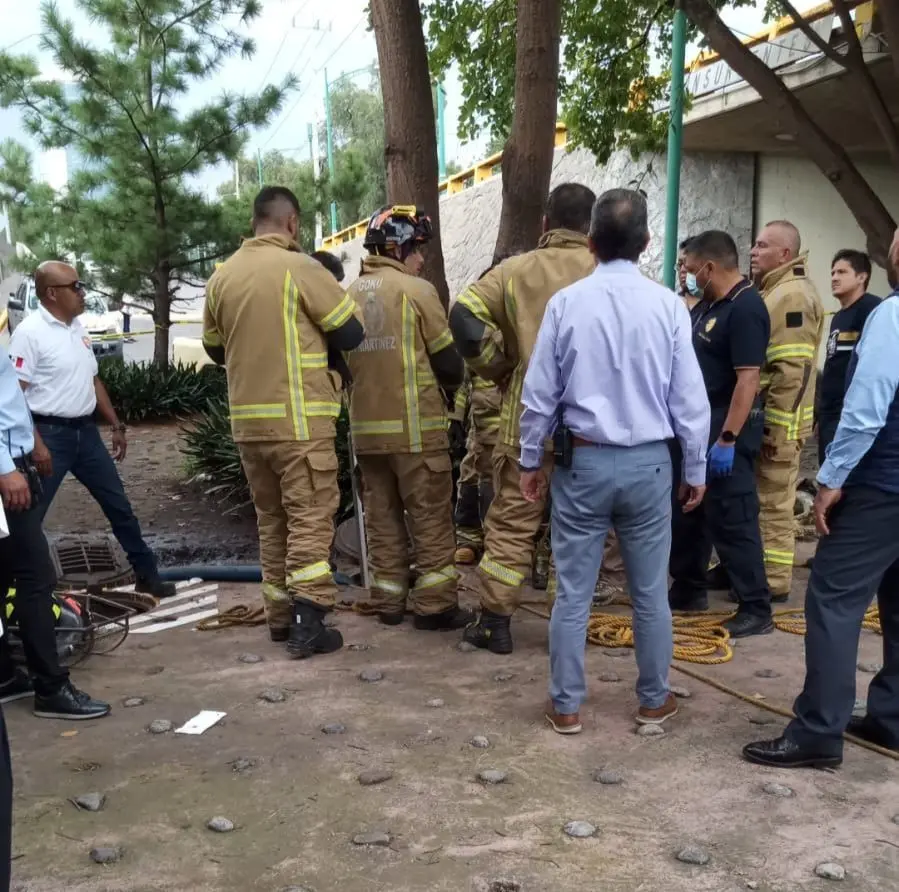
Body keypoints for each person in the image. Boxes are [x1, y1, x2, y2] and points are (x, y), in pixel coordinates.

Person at [518, 188, 710, 733]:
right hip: (651, 465)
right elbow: (689, 401)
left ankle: (567, 706)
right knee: (650, 593)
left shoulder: (566, 304)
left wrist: (531, 461)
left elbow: (539, 397)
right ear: (647, 242)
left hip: (584, 465)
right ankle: (653, 702)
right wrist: (694, 468)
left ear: (592, 243)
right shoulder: (670, 306)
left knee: (573, 591)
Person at [744, 227, 899, 768]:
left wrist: (832, 478)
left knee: (833, 601)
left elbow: (867, 408)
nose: (890, 249)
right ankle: (892, 718)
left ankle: (818, 731)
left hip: (881, 485)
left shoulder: (892, 317)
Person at [202, 186, 364, 657]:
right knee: (310, 520)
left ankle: (278, 618)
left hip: (249, 428)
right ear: (292, 222)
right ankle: (309, 621)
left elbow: (215, 348)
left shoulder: (223, 277)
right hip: (299, 423)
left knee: (272, 523)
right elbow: (350, 331)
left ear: (256, 221)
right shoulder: (300, 269)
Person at [448, 182, 598, 654]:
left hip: (526, 425)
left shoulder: (514, 271)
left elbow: (465, 317)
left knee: (512, 524)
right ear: (591, 227)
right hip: (595, 431)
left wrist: (498, 366)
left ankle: (495, 622)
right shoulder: (609, 273)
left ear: (545, 224)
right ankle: (567, 626)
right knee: (578, 529)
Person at [8, 261, 175, 599]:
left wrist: (115, 424)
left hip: (86, 436)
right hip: (49, 435)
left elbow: (93, 380)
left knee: (119, 506)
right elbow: (16, 397)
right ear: (52, 293)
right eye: (76, 286)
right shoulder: (29, 333)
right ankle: (18, 589)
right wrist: (36, 445)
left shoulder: (77, 328)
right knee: (29, 519)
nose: (82, 293)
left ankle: (146, 574)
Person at [344, 205, 472, 630]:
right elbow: (449, 365)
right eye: (418, 249)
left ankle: (389, 603)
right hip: (417, 435)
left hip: (367, 435)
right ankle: (436, 608)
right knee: (431, 520)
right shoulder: (417, 292)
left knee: (382, 521)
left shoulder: (347, 295)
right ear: (398, 247)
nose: (421, 259)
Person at [668, 231, 773, 637]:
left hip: (725, 430)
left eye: (691, 269)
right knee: (691, 513)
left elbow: (748, 379)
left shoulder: (745, 308)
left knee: (733, 518)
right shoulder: (709, 306)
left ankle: (755, 606)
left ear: (709, 267)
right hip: (697, 428)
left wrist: (728, 438)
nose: (687, 276)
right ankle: (689, 587)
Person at [0, 351, 110, 720]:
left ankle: (3, 676)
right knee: (35, 577)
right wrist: (5, 469)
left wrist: (32, 443)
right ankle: (51, 688)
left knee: (3, 574)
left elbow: (9, 394)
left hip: (14, 458)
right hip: (6, 469)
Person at [749, 221, 824, 601]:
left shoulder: (790, 296)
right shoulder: (777, 291)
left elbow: (792, 371)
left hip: (780, 426)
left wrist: (775, 430)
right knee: (762, 500)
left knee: (774, 503)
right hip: (772, 421)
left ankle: (774, 581)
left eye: (762, 245)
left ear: (785, 254)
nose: (753, 251)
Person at [818, 250, 880, 462]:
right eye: (833, 272)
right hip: (830, 413)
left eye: (842, 272)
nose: (834, 277)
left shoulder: (872, 309)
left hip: (852, 416)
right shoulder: (839, 318)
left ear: (862, 277)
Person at [453, 370, 501, 565]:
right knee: (470, 478)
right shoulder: (478, 340)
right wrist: (455, 416)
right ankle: (468, 538)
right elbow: (461, 379)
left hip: (520, 426)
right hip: (481, 428)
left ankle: (501, 544)